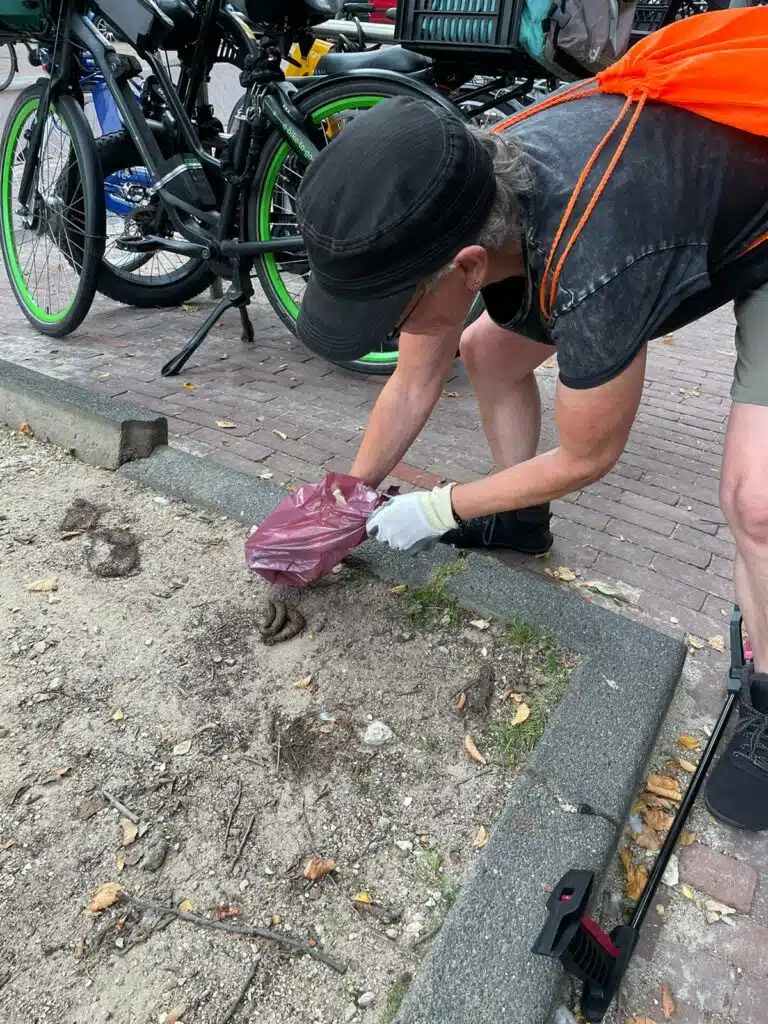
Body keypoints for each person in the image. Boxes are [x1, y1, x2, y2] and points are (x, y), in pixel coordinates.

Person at [293, 93, 768, 831]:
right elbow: (413, 380)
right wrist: (344, 502)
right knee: (486, 351)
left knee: (756, 504)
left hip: (752, 231)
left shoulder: (597, 259)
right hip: (655, 208)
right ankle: (521, 521)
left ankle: (765, 694)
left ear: (468, 266)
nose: (389, 332)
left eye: (390, 315)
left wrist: (440, 506)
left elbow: (588, 455)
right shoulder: (447, 195)